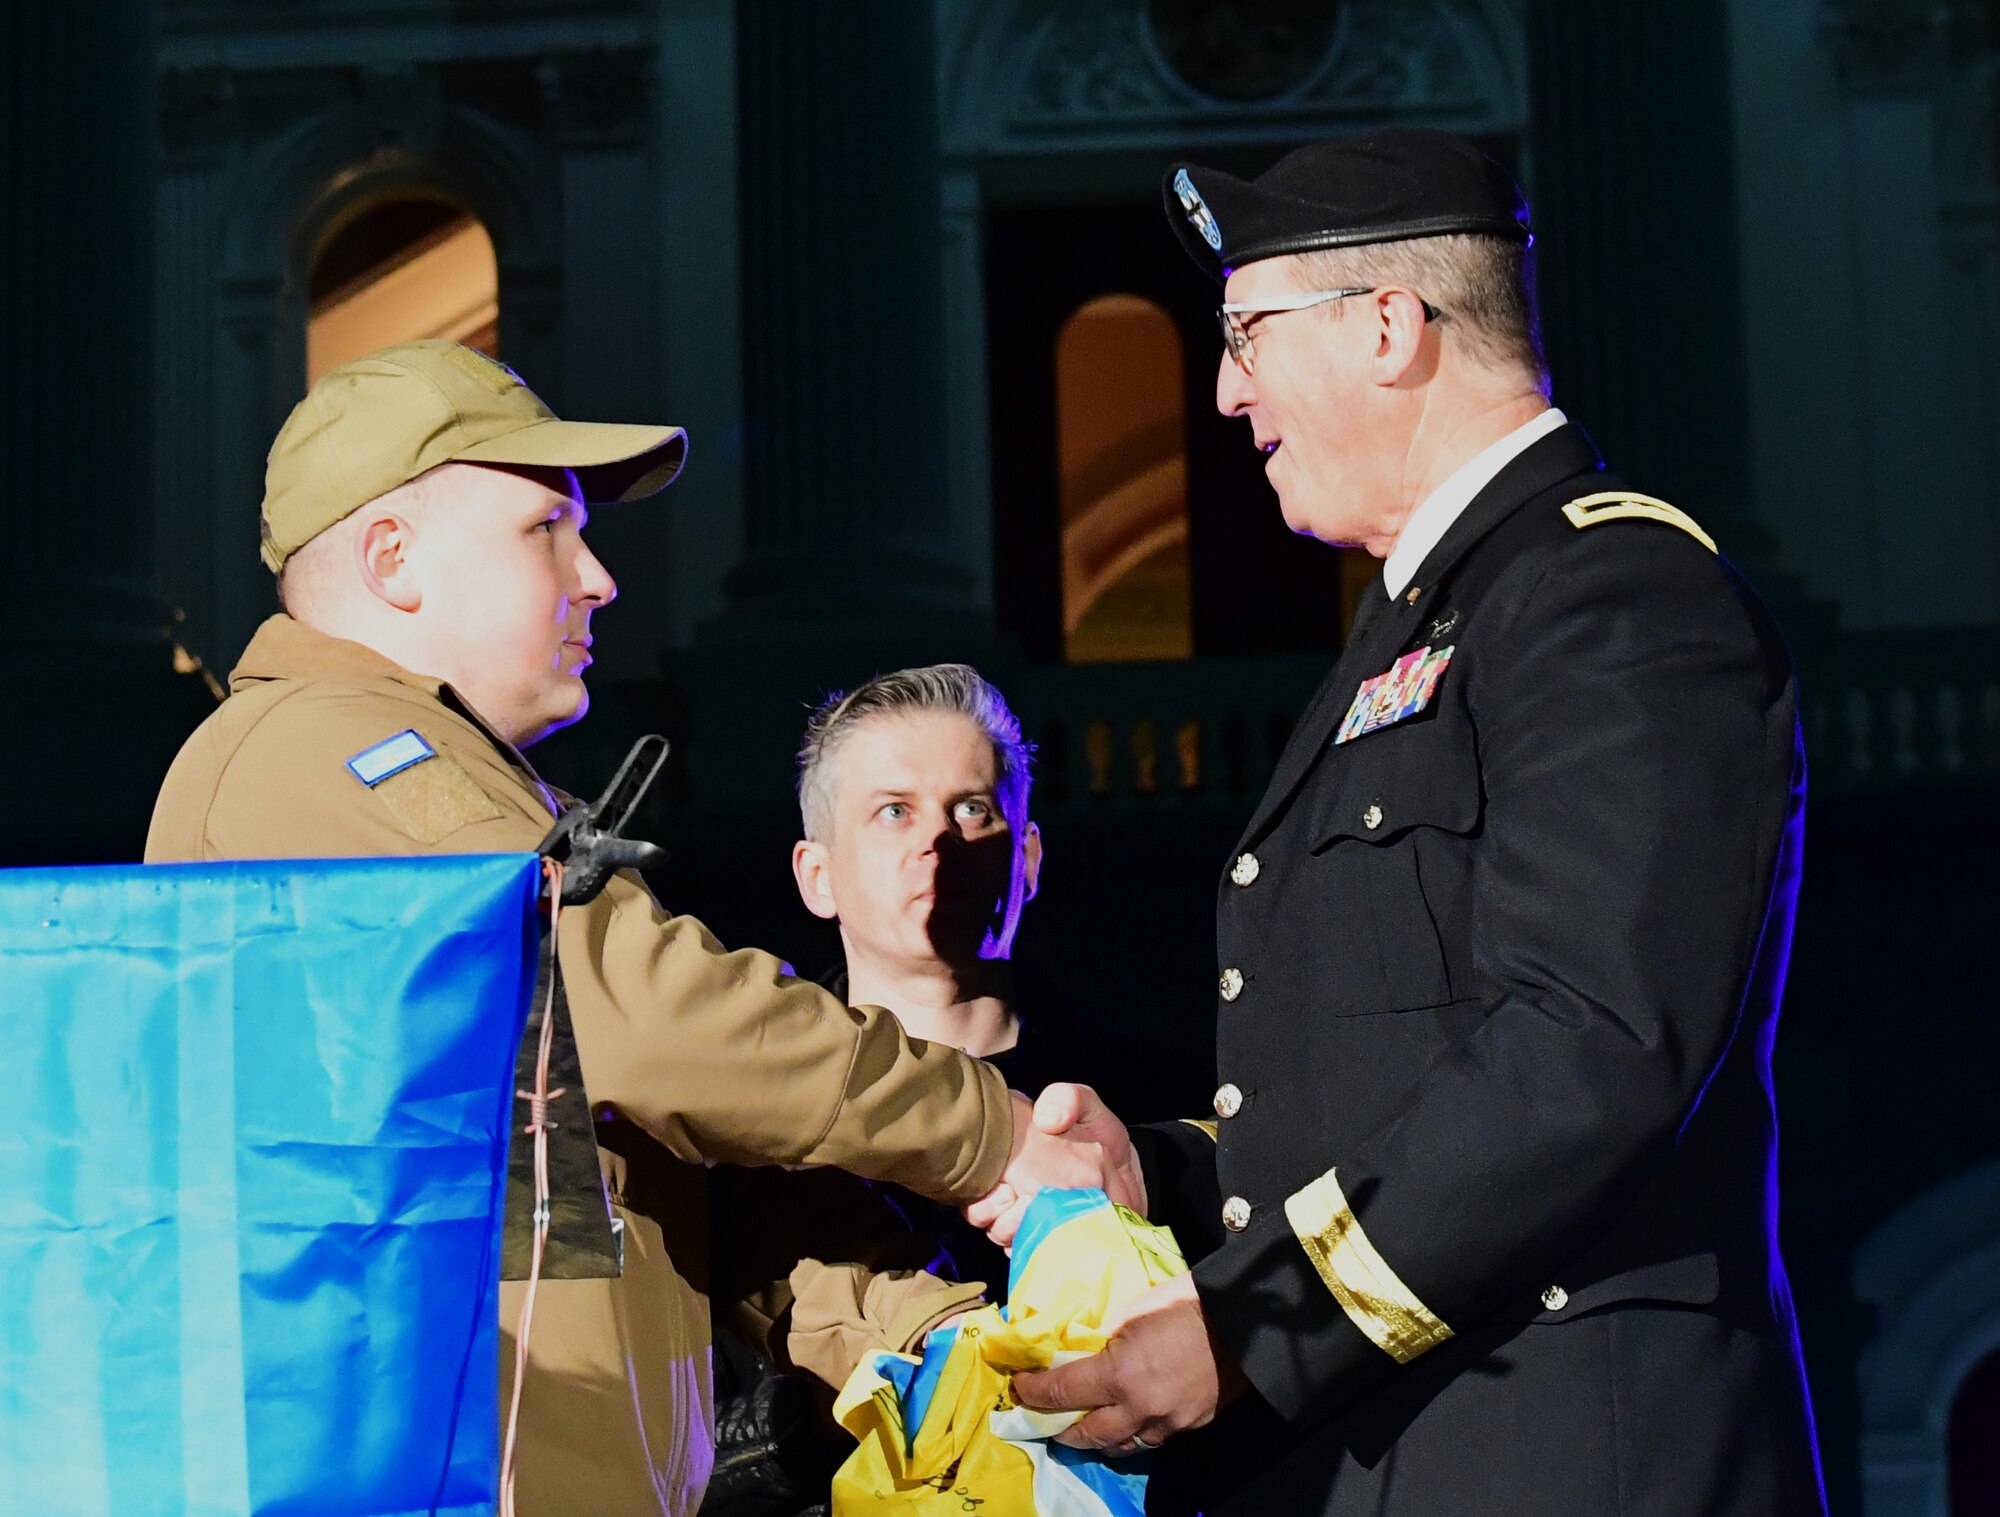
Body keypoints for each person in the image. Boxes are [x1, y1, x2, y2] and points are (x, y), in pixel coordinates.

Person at [144, 339, 1143, 1517]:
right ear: (392, 558)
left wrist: (928, 1334)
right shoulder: (328, 750)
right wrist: (988, 1126)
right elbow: (645, 1014)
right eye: (546, 529)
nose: (598, 576)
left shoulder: (444, 787)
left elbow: (669, 1171)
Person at [1001, 128, 1828, 1516]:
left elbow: (1588, 1047)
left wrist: (1255, 1325)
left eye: (1247, 334)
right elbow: (1386, 1079)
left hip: (1566, 1455)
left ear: (1389, 326)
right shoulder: (1427, 625)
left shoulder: (1611, 598)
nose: (1220, 391)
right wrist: (1167, 1169)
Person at [714, 665, 1212, 1393]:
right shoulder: (747, 1134)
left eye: (973, 808)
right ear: (815, 875)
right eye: (894, 811)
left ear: (1029, 858)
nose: (939, 841)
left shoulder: (1155, 1104)